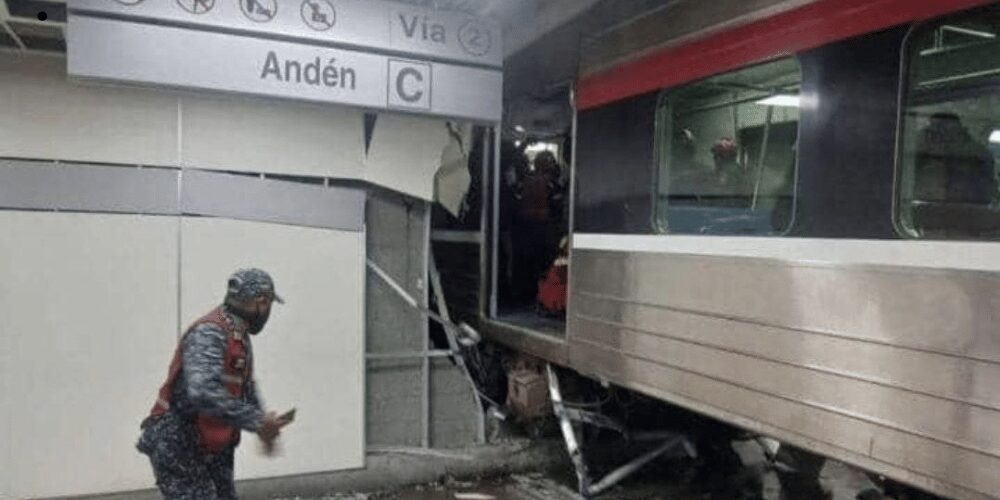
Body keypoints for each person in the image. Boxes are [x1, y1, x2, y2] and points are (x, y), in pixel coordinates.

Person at [137, 268, 290, 499]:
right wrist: (257, 421)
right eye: (268, 304)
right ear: (261, 302)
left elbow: (245, 386)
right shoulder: (210, 332)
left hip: (210, 441)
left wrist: (265, 424)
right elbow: (203, 392)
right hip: (178, 440)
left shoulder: (237, 334)